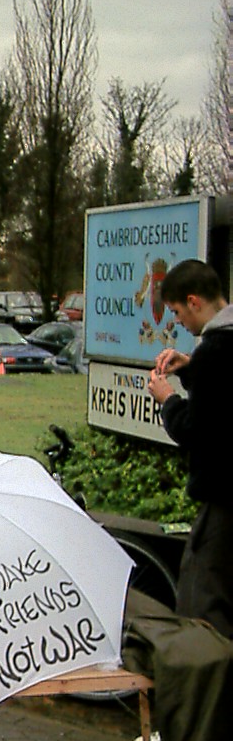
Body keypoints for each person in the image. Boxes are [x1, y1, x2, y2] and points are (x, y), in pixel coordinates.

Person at [146, 258, 232, 638]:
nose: (178, 322)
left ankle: (207, 688)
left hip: (223, 498)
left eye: (178, 312)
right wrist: (190, 369)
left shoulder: (216, 349)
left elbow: (199, 428)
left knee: (204, 601)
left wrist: (168, 400)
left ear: (194, 301)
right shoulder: (217, 351)